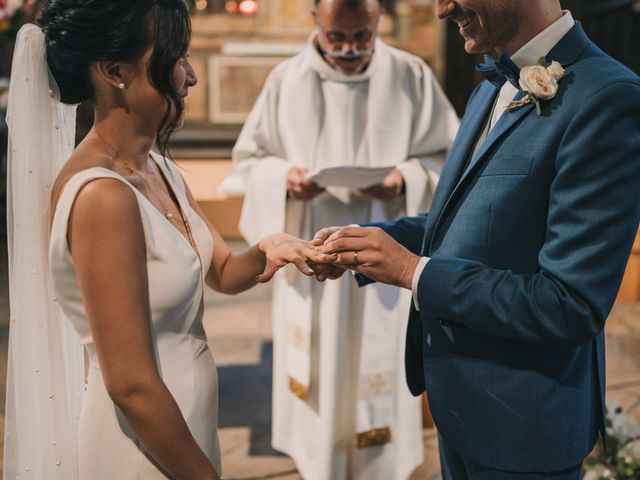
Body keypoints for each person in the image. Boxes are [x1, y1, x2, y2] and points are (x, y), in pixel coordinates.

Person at [4, 1, 332, 479]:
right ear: (114, 71)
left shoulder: (158, 167)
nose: (190, 77)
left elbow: (219, 271)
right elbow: (131, 385)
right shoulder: (102, 197)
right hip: (143, 446)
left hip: (180, 429)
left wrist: (269, 248)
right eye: (176, 58)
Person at [314, 0, 640, 478]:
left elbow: (568, 304)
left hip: (526, 429)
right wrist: (370, 240)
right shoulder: (492, 86)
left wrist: (411, 271)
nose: (443, 8)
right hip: (460, 406)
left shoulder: (609, 98)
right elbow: (464, 223)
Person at [233, 0, 458, 478]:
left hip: (385, 250)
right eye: (338, 37)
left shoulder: (410, 75)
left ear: (379, 22)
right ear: (315, 20)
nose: (351, 49)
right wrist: (285, 179)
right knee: (319, 360)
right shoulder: (286, 80)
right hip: (311, 251)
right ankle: (320, 462)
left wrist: (403, 179)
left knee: (375, 355)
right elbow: (250, 161)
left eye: (363, 36)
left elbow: (451, 161)